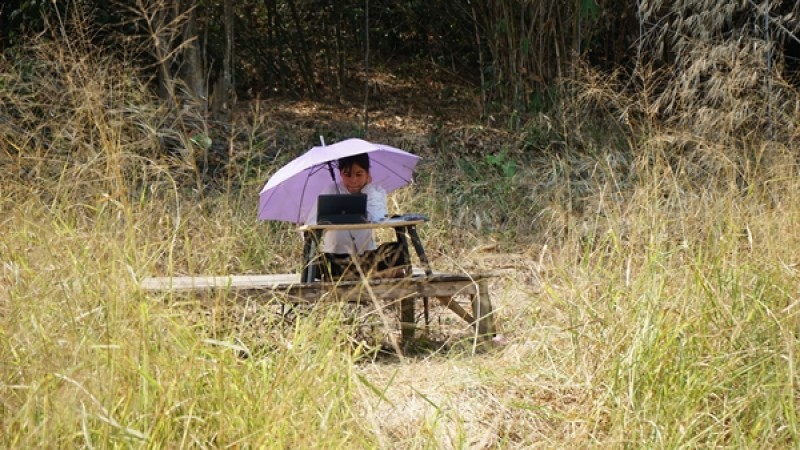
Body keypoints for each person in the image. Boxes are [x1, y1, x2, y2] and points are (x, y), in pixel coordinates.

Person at [305, 153, 408, 280]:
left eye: (359, 174)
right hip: (338, 257)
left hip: (366, 256)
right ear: (341, 174)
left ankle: (359, 277)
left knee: (397, 250)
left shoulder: (375, 191)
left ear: (367, 174)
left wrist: (367, 189)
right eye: (347, 175)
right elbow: (310, 225)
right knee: (315, 263)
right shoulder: (330, 192)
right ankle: (372, 277)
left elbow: (377, 217)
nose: (353, 180)